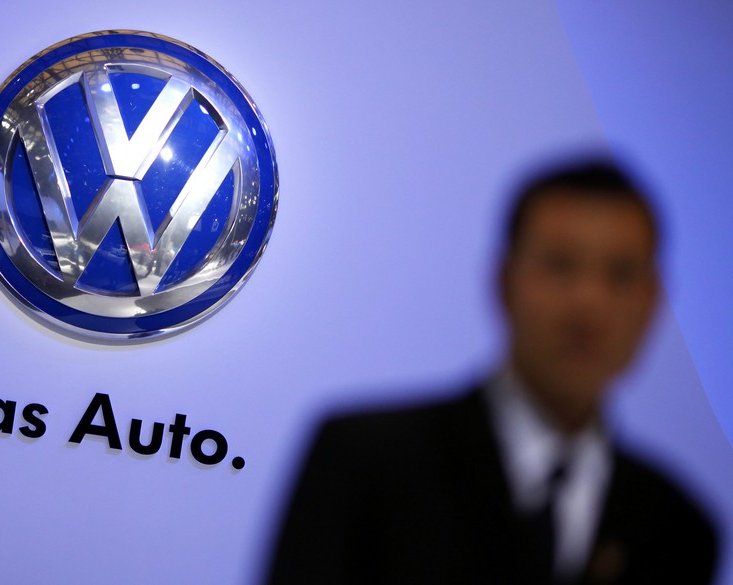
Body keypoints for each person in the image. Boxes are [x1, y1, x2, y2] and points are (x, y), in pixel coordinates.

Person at [266, 158, 718, 585]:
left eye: (620, 275)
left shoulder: (679, 528)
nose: (589, 304)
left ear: (653, 300)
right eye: (561, 265)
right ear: (504, 280)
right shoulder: (365, 463)